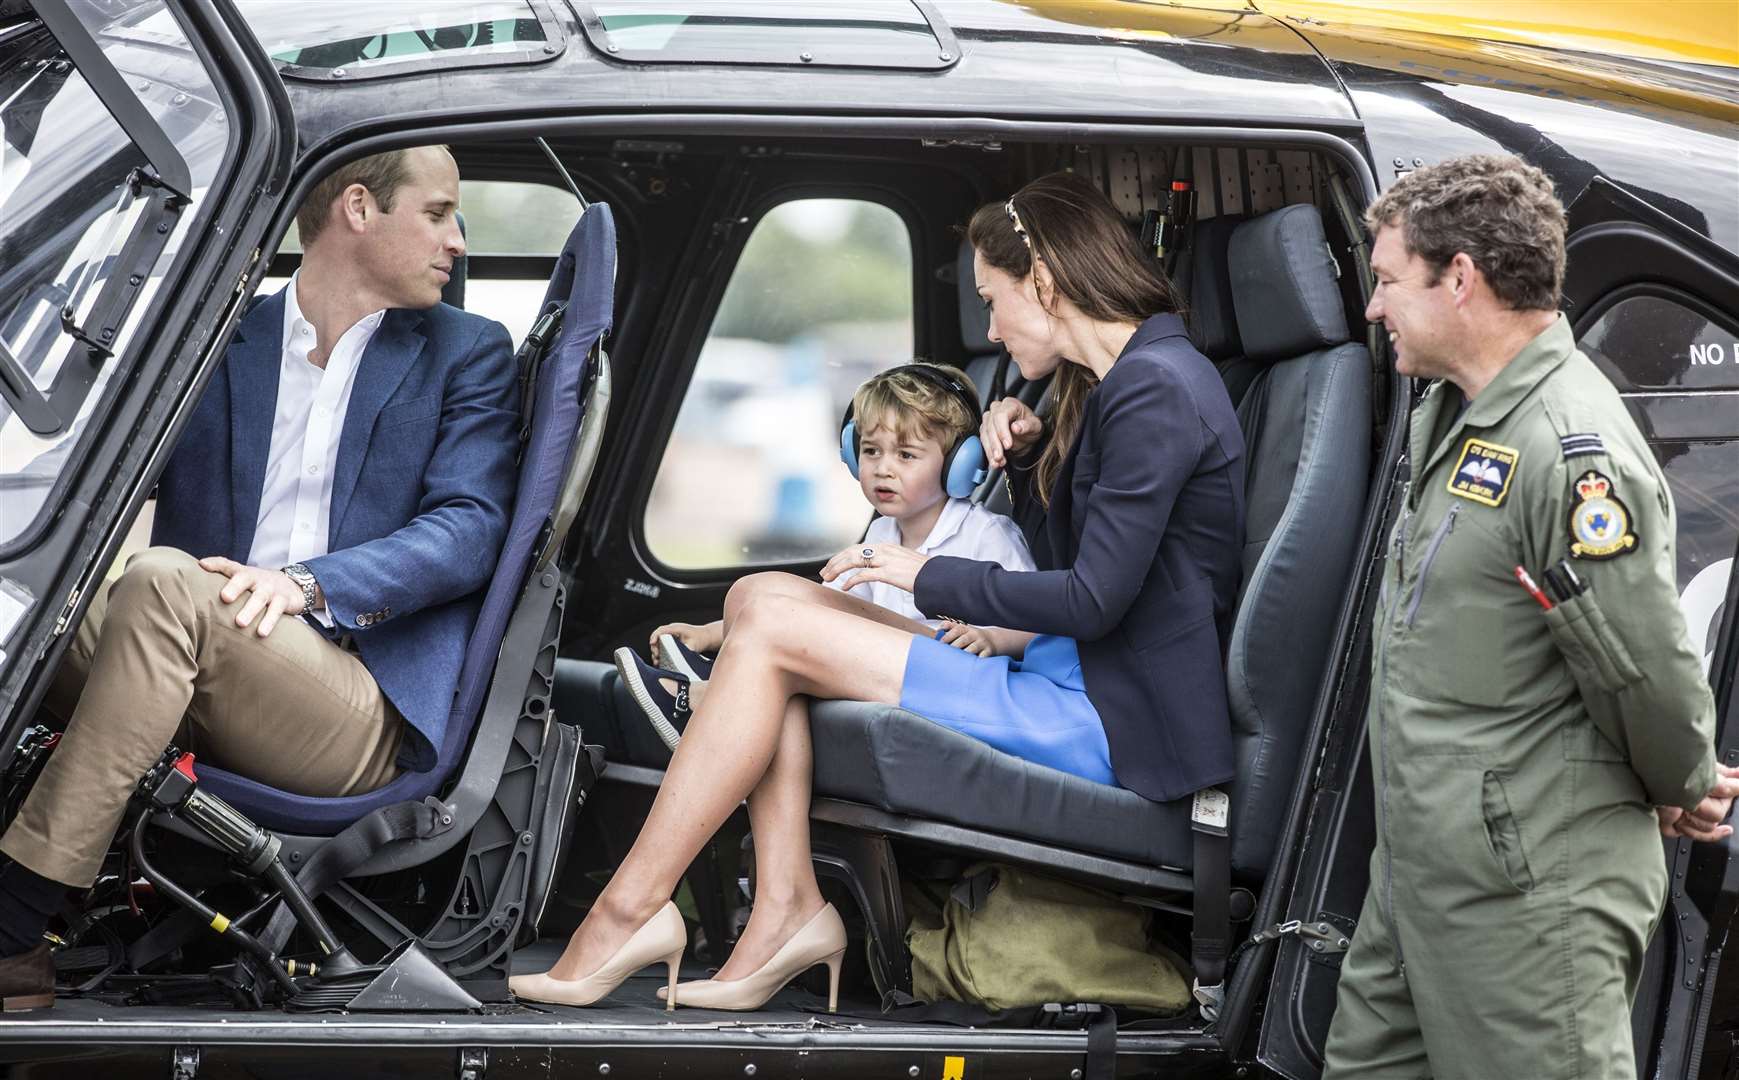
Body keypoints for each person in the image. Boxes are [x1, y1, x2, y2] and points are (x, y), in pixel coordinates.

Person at [508, 171, 1245, 1013]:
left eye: (994, 301)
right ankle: (781, 906)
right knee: (756, 599)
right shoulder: (1126, 382)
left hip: (1105, 717)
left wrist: (922, 574)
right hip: (1073, 680)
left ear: (1044, 282)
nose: (995, 329)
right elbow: (1102, 551)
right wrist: (1034, 449)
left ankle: (629, 910)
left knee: (773, 636)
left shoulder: (1154, 388)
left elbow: (1090, 602)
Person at [0, 146, 519, 1011]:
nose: (456, 241)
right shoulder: (213, 339)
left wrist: (306, 584)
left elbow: (469, 531)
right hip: (192, 651)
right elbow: (83, 470)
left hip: (354, 702)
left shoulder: (467, 353)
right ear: (359, 208)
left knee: (164, 583)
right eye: (437, 214)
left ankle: (14, 927)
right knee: (31, 609)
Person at [1321, 153, 1739, 1080]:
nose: (1372, 306)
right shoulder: (1455, 414)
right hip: (1426, 875)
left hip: (1526, 896)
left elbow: (1640, 668)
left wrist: (1682, 776)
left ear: (1459, 277)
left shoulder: (1568, 451)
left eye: (1387, 280)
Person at [616, 362, 1036, 750]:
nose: (883, 468)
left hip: (953, 680)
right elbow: (815, 610)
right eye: (871, 451)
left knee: (789, 664)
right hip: (891, 670)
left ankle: (702, 699)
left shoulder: (987, 534)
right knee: (790, 661)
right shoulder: (881, 532)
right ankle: (716, 688)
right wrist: (709, 634)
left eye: (906, 455)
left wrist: (993, 637)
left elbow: (1037, 625)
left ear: (958, 464)